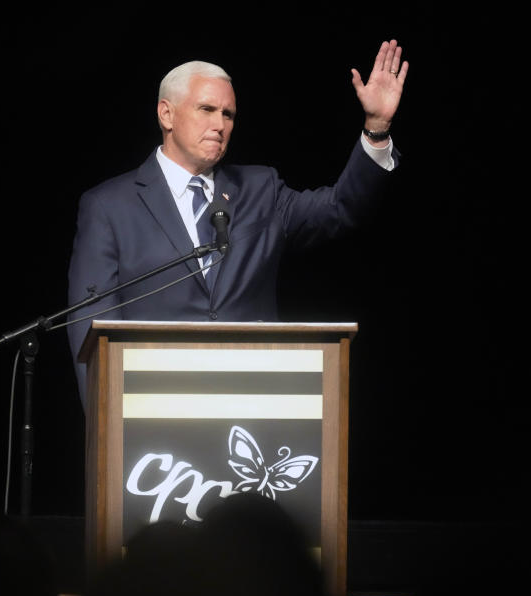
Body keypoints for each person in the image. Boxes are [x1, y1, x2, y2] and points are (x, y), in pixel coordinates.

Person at [67, 40, 409, 405]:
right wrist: (106, 427)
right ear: (166, 115)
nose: (219, 125)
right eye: (207, 109)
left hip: (254, 402)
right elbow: (91, 326)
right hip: (152, 407)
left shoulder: (261, 190)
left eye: (228, 115)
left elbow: (343, 208)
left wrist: (376, 128)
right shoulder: (109, 206)